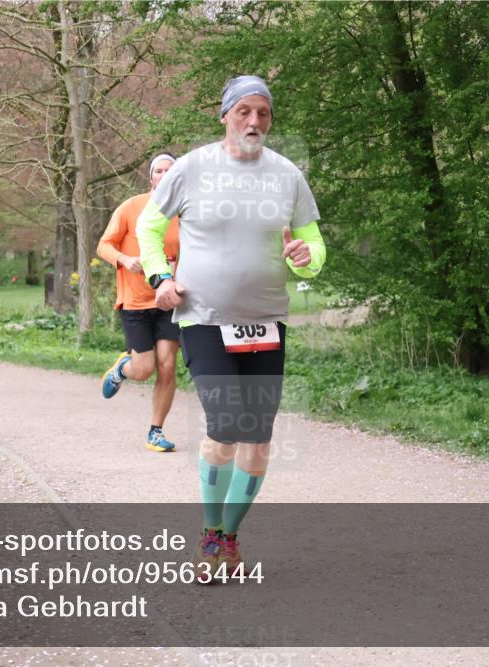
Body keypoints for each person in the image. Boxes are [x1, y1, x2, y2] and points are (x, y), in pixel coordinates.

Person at [136, 75, 326, 578]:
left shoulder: (287, 175)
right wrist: (160, 277)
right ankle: (209, 533)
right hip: (204, 318)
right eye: (244, 111)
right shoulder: (194, 167)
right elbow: (149, 227)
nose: (254, 121)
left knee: (258, 439)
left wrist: (307, 257)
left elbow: (312, 243)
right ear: (225, 115)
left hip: (266, 321)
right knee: (224, 428)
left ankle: (230, 538)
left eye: (263, 113)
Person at [97, 154, 181, 453]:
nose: (164, 175)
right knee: (144, 369)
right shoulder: (132, 207)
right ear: (151, 178)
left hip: (170, 300)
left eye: (170, 171)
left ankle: (155, 431)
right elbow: (103, 245)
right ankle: (123, 368)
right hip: (135, 300)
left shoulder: (186, 212)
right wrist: (125, 259)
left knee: (168, 365)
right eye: (158, 171)